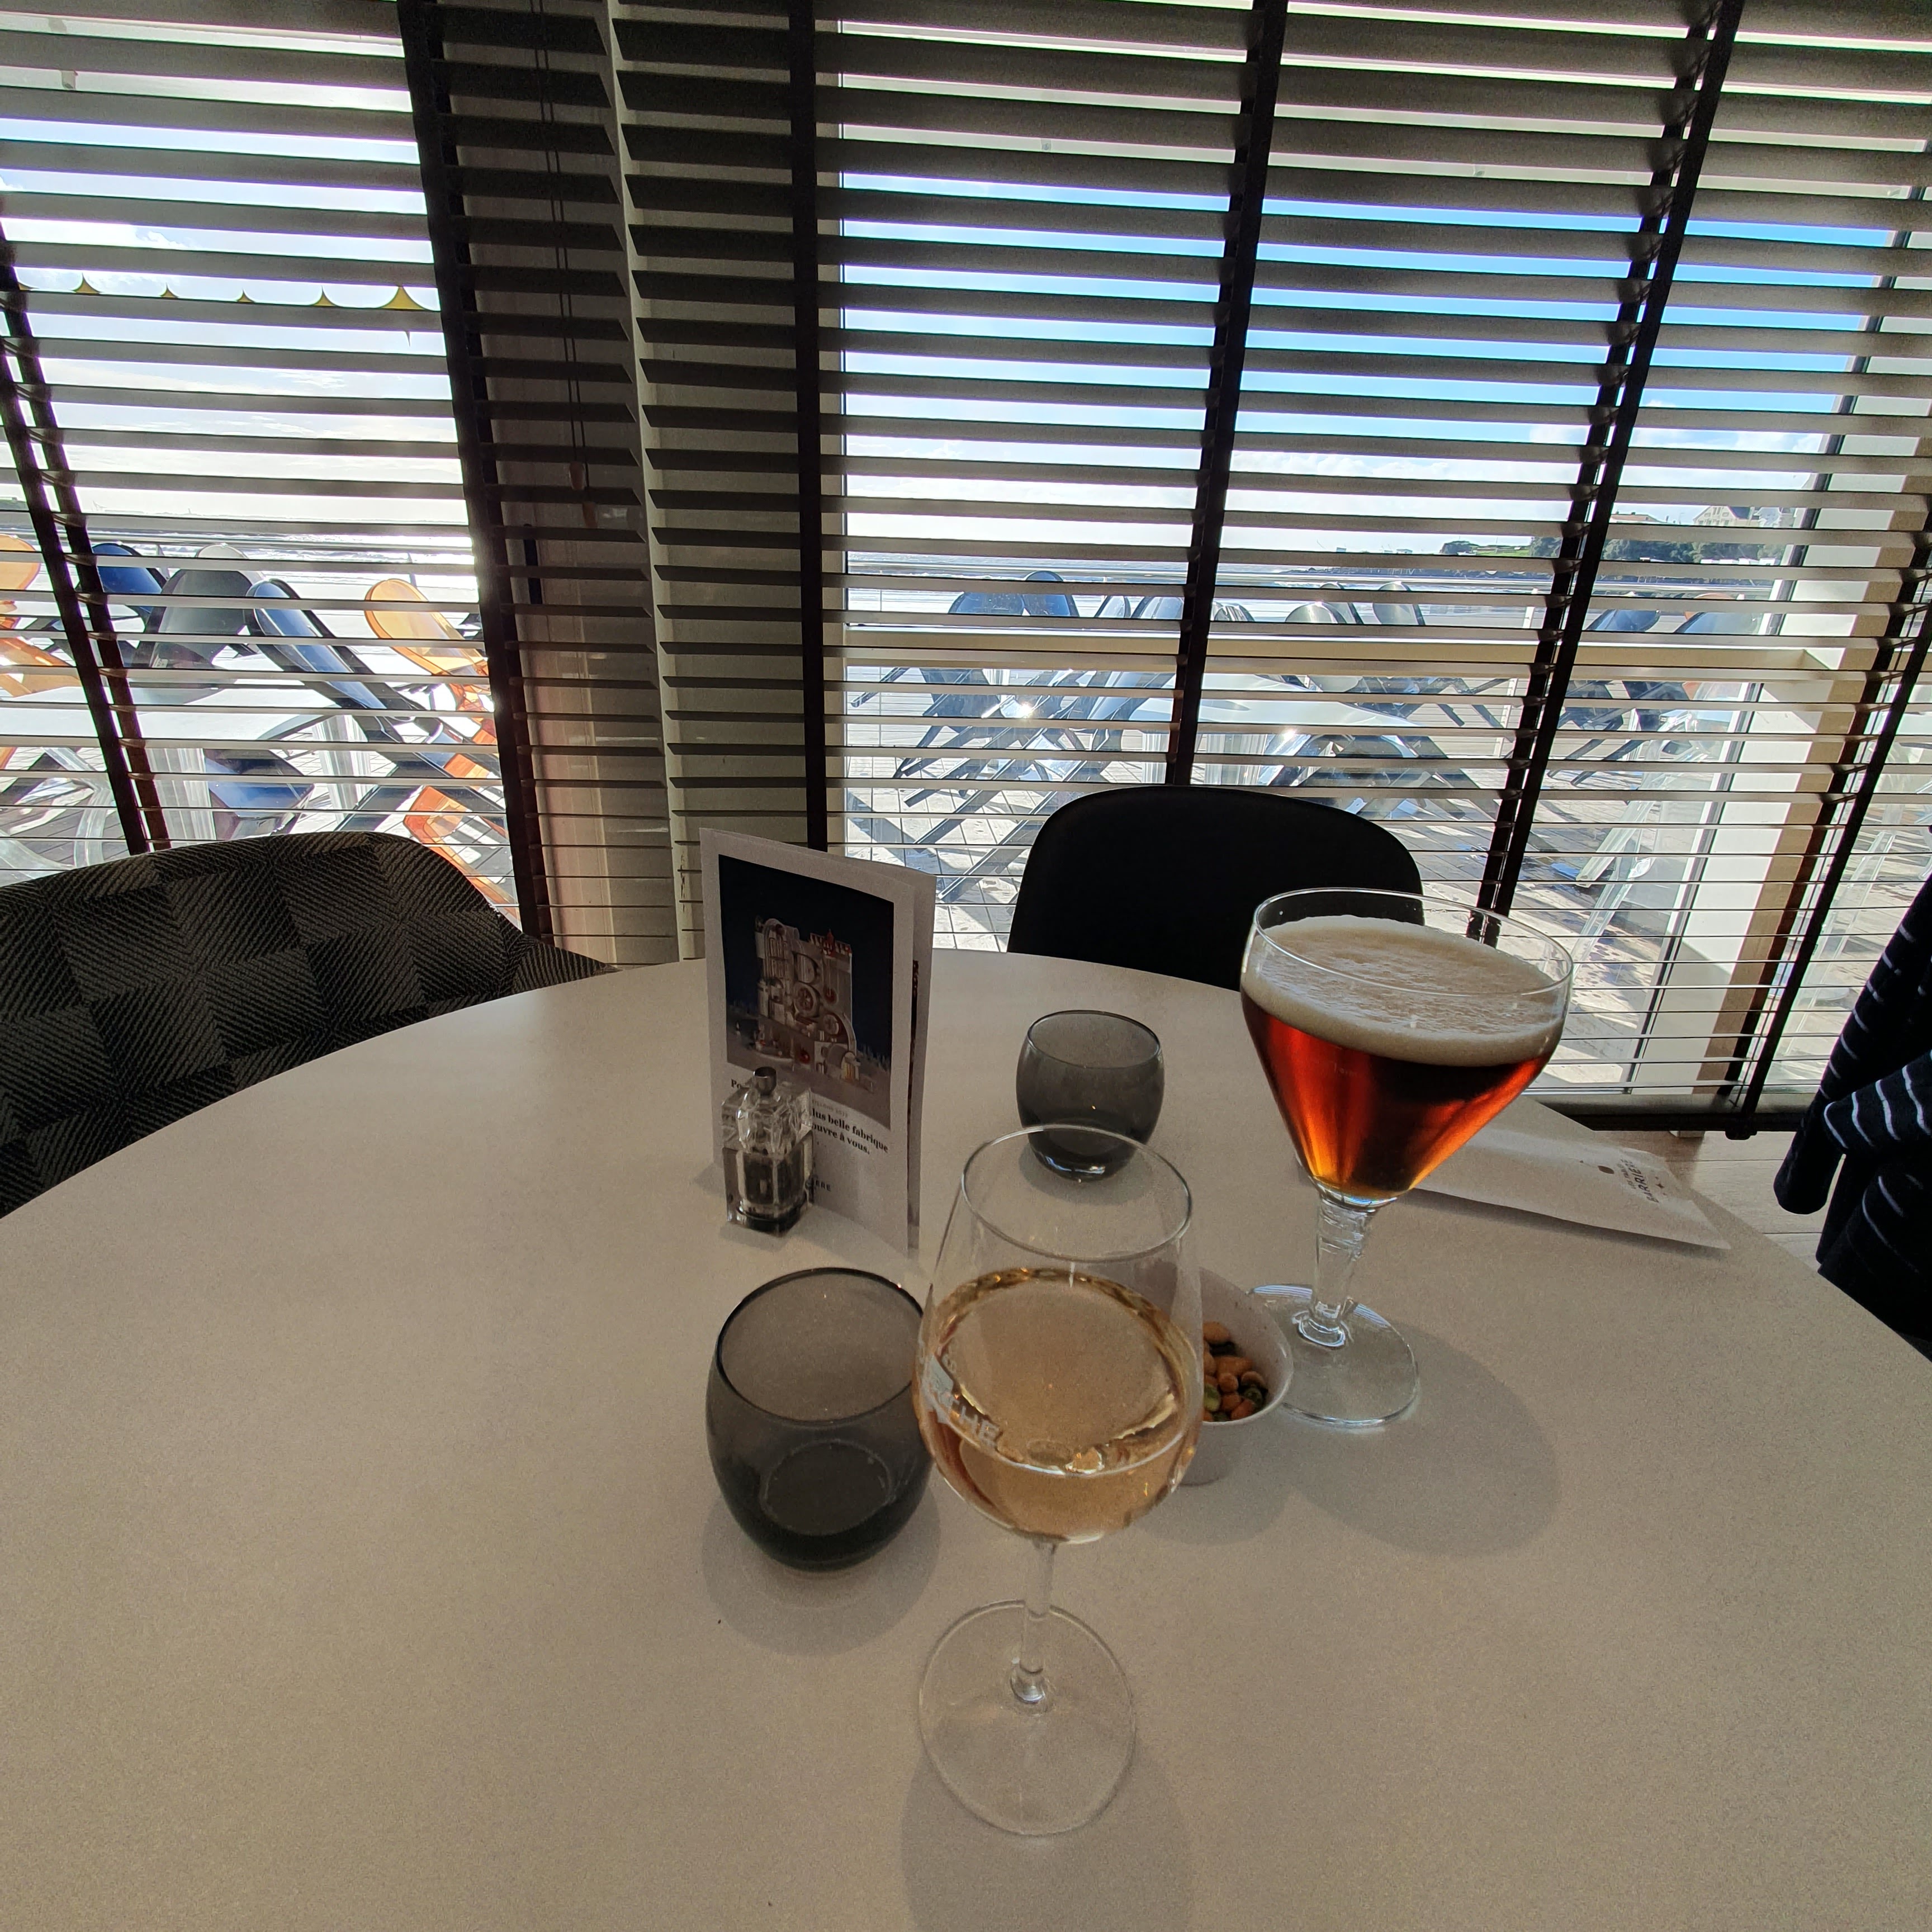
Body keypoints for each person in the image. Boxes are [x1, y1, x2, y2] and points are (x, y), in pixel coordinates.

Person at [1775, 871, 1932, 1354]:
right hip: (1897, 1217)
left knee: (1839, 1358)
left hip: (1904, 1241)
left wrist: (1842, 1124)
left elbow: (1883, 1009)